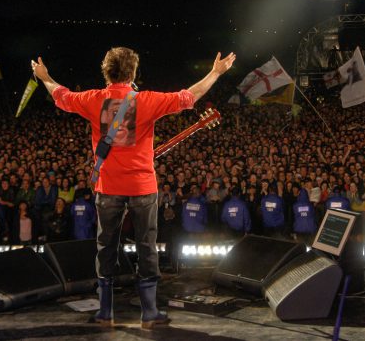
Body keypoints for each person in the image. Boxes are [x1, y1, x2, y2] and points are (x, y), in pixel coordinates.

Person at [31, 47, 235, 328]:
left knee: (106, 248)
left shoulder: (92, 100)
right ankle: (149, 314)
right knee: (146, 248)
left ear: (106, 71)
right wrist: (215, 72)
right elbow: (189, 97)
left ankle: (105, 312)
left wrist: (44, 76)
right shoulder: (148, 101)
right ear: (134, 73)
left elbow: (60, 95)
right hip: (142, 186)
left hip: (108, 187)